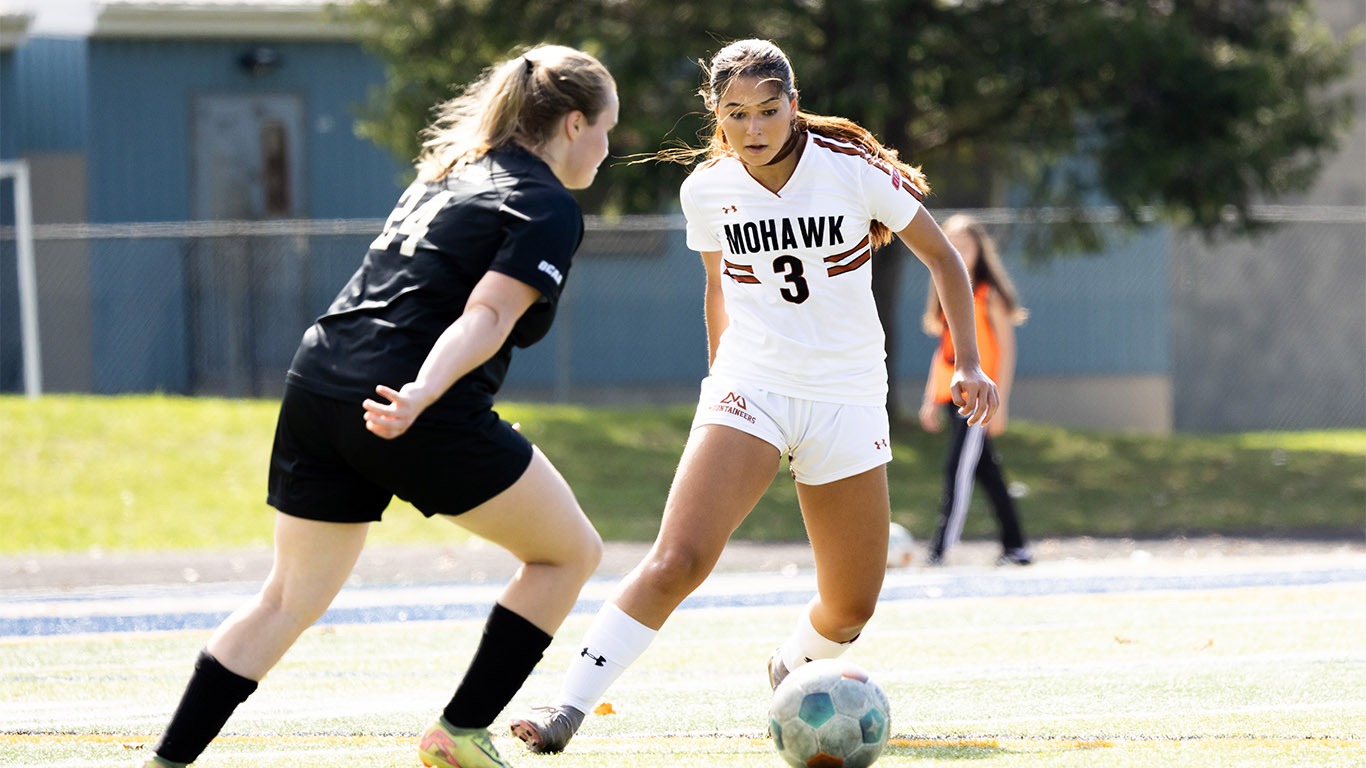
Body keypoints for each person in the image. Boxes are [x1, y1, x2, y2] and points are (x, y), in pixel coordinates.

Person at [508, 38, 998, 754]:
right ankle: (565, 710)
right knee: (678, 559)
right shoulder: (705, 189)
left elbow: (945, 260)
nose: (756, 127)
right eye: (738, 114)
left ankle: (790, 668)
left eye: (769, 110)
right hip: (752, 387)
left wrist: (970, 365)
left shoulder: (854, 172)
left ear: (793, 106)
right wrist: (720, 388)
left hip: (846, 398)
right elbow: (718, 288)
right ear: (717, 115)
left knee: (852, 605)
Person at [137, 45, 617, 768]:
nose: (610, 149)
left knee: (284, 602)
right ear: (575, 123)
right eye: (609, 129)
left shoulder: (450, 173)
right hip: (409, 402)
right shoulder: (546, 201)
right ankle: (457, 735)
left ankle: (166, 761)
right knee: (568, 554)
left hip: (320, 383)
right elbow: (486, 316)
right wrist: (424, 392)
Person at [918, 213, 1032, 566]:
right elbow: (944, 352)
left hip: (979, 401)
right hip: (953, 397)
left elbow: (1005, 351)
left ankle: (939, 548)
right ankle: (1016, 547)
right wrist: (928, 399)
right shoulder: (945, 292)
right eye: (950, 243)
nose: (957, 251)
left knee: (958, 470)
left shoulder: (988, 295)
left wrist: (1002, 403)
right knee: (987, 473)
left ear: (980, 250)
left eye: (965, 245)